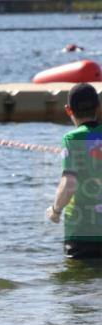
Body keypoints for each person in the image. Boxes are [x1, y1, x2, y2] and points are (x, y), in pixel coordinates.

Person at [47, 82, 102, 260]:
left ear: (69, 110)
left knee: (77, 280)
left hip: (82, 231)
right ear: (98, 107)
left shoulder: (72, 138)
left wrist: (55, 211)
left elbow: (69, 183)